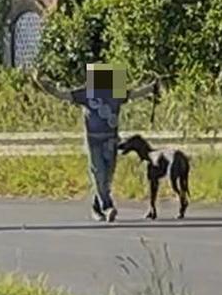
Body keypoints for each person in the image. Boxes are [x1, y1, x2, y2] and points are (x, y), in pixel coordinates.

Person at [34, 64, 159, 223]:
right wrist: (42, 83)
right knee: (98, 172)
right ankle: (107, 206)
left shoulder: (115, 92)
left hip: (111, 140)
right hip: (94, 140)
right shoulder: (87, 93)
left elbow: (134, 94)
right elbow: (61, 94)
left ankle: (96, 207)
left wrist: (152, 87)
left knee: (106, 177)